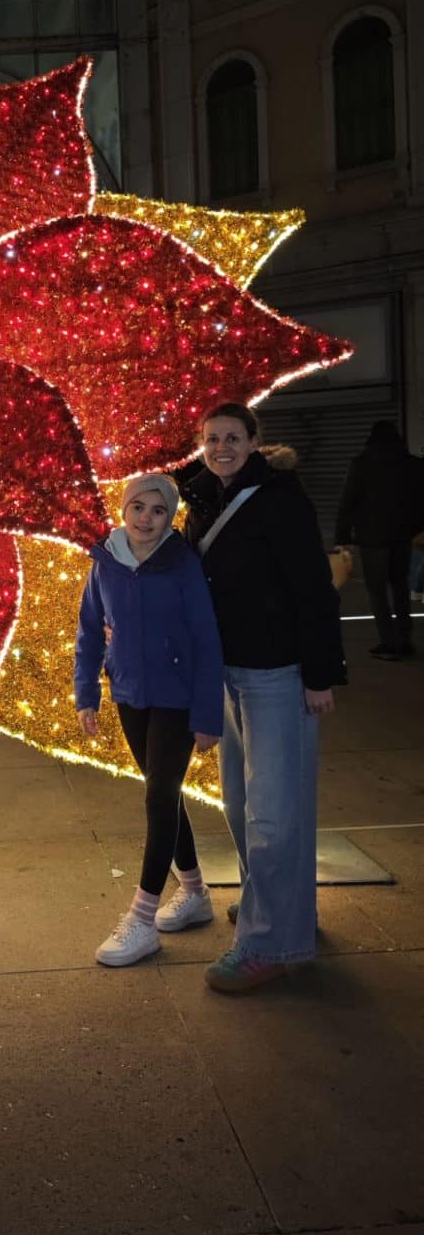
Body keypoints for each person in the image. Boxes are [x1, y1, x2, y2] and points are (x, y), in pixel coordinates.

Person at [182, 402, 345, 993]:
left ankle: (272, 942)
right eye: (211, 438)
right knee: (239, 803)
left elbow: (312, 586)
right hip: (228, 672)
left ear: (254, 441)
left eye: (232, 437)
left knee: (275, 814)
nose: (221, 446)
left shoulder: (279, 499)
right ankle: (273, 905)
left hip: (278, 673)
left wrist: (320, 673)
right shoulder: (202, 500)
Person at [74, 474, 224, 967]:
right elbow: (90, 629)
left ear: (170, 517)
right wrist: (87, 693)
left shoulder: (183, 565)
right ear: (123, 510)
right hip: (130, 696)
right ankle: (197, 892)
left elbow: (206, 641)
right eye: (137, 507)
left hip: (177, 698)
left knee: (158, 797)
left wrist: (207, 715)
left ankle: (141, 919)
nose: (145, 518)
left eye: (158, 511)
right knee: (165, 793)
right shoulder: (106, 562)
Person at [335, 421, 424, 660]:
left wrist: (342, 537)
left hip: (372, 538)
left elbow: (348, 500)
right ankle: (405, 639)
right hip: (402, 537)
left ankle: (388, 642)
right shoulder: (412, 464)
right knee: (400, 587)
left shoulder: (362, 464)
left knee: (377, 592)